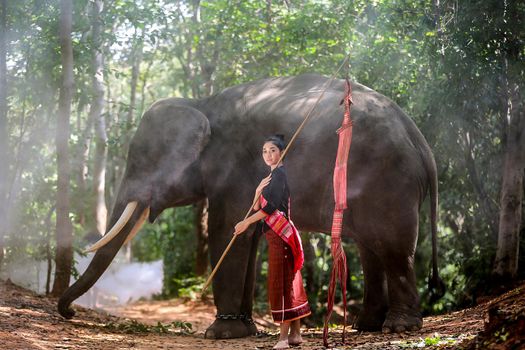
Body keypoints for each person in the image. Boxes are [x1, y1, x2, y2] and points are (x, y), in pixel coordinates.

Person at [234, 134, 311, 350]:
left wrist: (245, 223)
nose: (268, 155)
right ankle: (295, 334)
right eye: (264, 151)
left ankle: (283, 339)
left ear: (282, 152)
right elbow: (259, 206)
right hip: (274, 236)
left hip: (281, 234)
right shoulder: (271, 176)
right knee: (287, 281)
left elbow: (270, 209)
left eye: (273, 150)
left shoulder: (280, 175)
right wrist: (258, 191)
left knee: (282, 283)